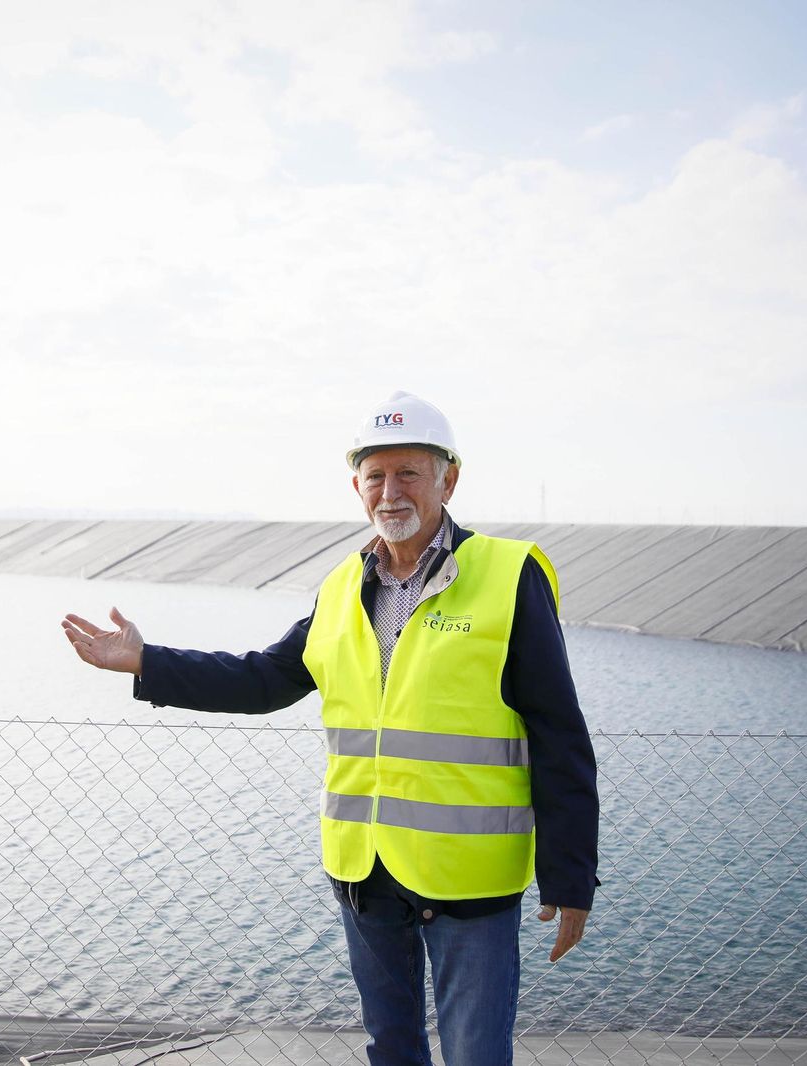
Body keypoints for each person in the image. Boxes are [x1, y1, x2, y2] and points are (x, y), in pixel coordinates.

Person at [61, 391, 598, 1066]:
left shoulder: (508, 574)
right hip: (364, 872)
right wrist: (147, 661)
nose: (390, 492)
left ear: (448, 480)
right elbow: (265, 680)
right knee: (391, 1051)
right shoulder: (343, 586)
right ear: (357, 487)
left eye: (409, 473)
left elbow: (558, 732)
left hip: (469, 876)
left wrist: (569, 876)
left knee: (475, 1055)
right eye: (376, 476)